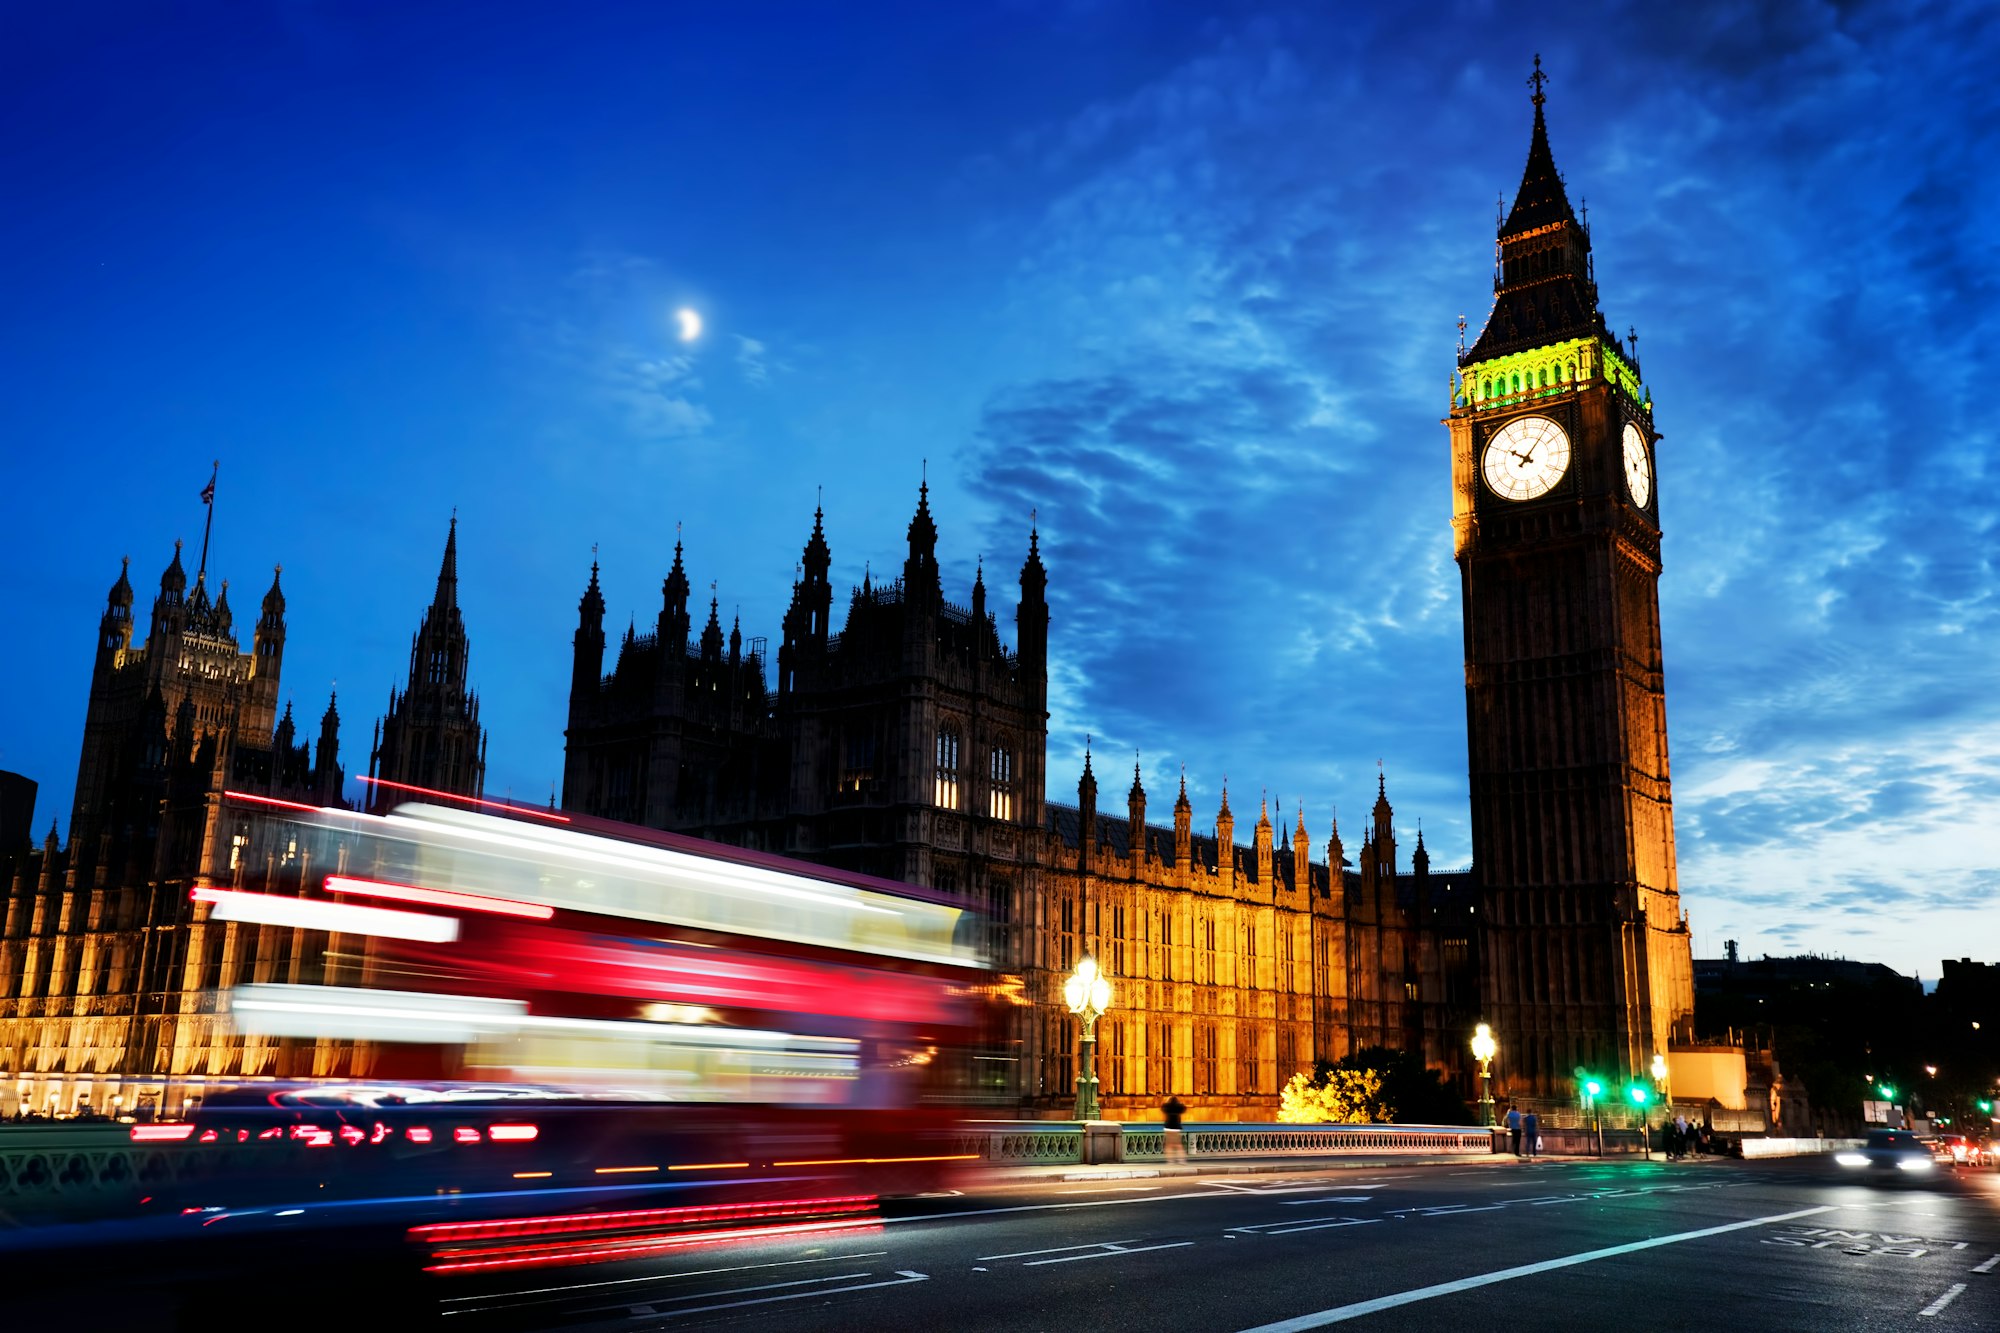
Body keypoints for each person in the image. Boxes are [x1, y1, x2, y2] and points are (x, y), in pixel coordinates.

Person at [1161, 1095, 1187, 1163]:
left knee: (1169, 1145)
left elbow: (1162, 1107)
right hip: (1176, 1127)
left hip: (1168, 1126)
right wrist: (1180, 1102)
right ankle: (1181, 1160)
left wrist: (1167, 1101)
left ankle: (1170, 1160)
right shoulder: (1178, 1107)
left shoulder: (1167, 1106)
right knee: (1178, 1145)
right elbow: (1184, 1108)